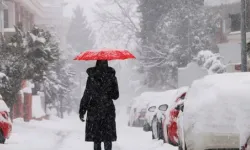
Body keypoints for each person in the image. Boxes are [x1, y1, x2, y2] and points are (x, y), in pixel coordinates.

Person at [79, 60, 119, 150]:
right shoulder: (112, 76)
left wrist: (82, 110)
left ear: (97, 63)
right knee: (107, 138)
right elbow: (116, 96)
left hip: (94, 110)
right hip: (108, 110)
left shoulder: (92, 76)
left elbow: (87, 94)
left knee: (96, 139)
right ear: (107, 63)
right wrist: (108, 92)